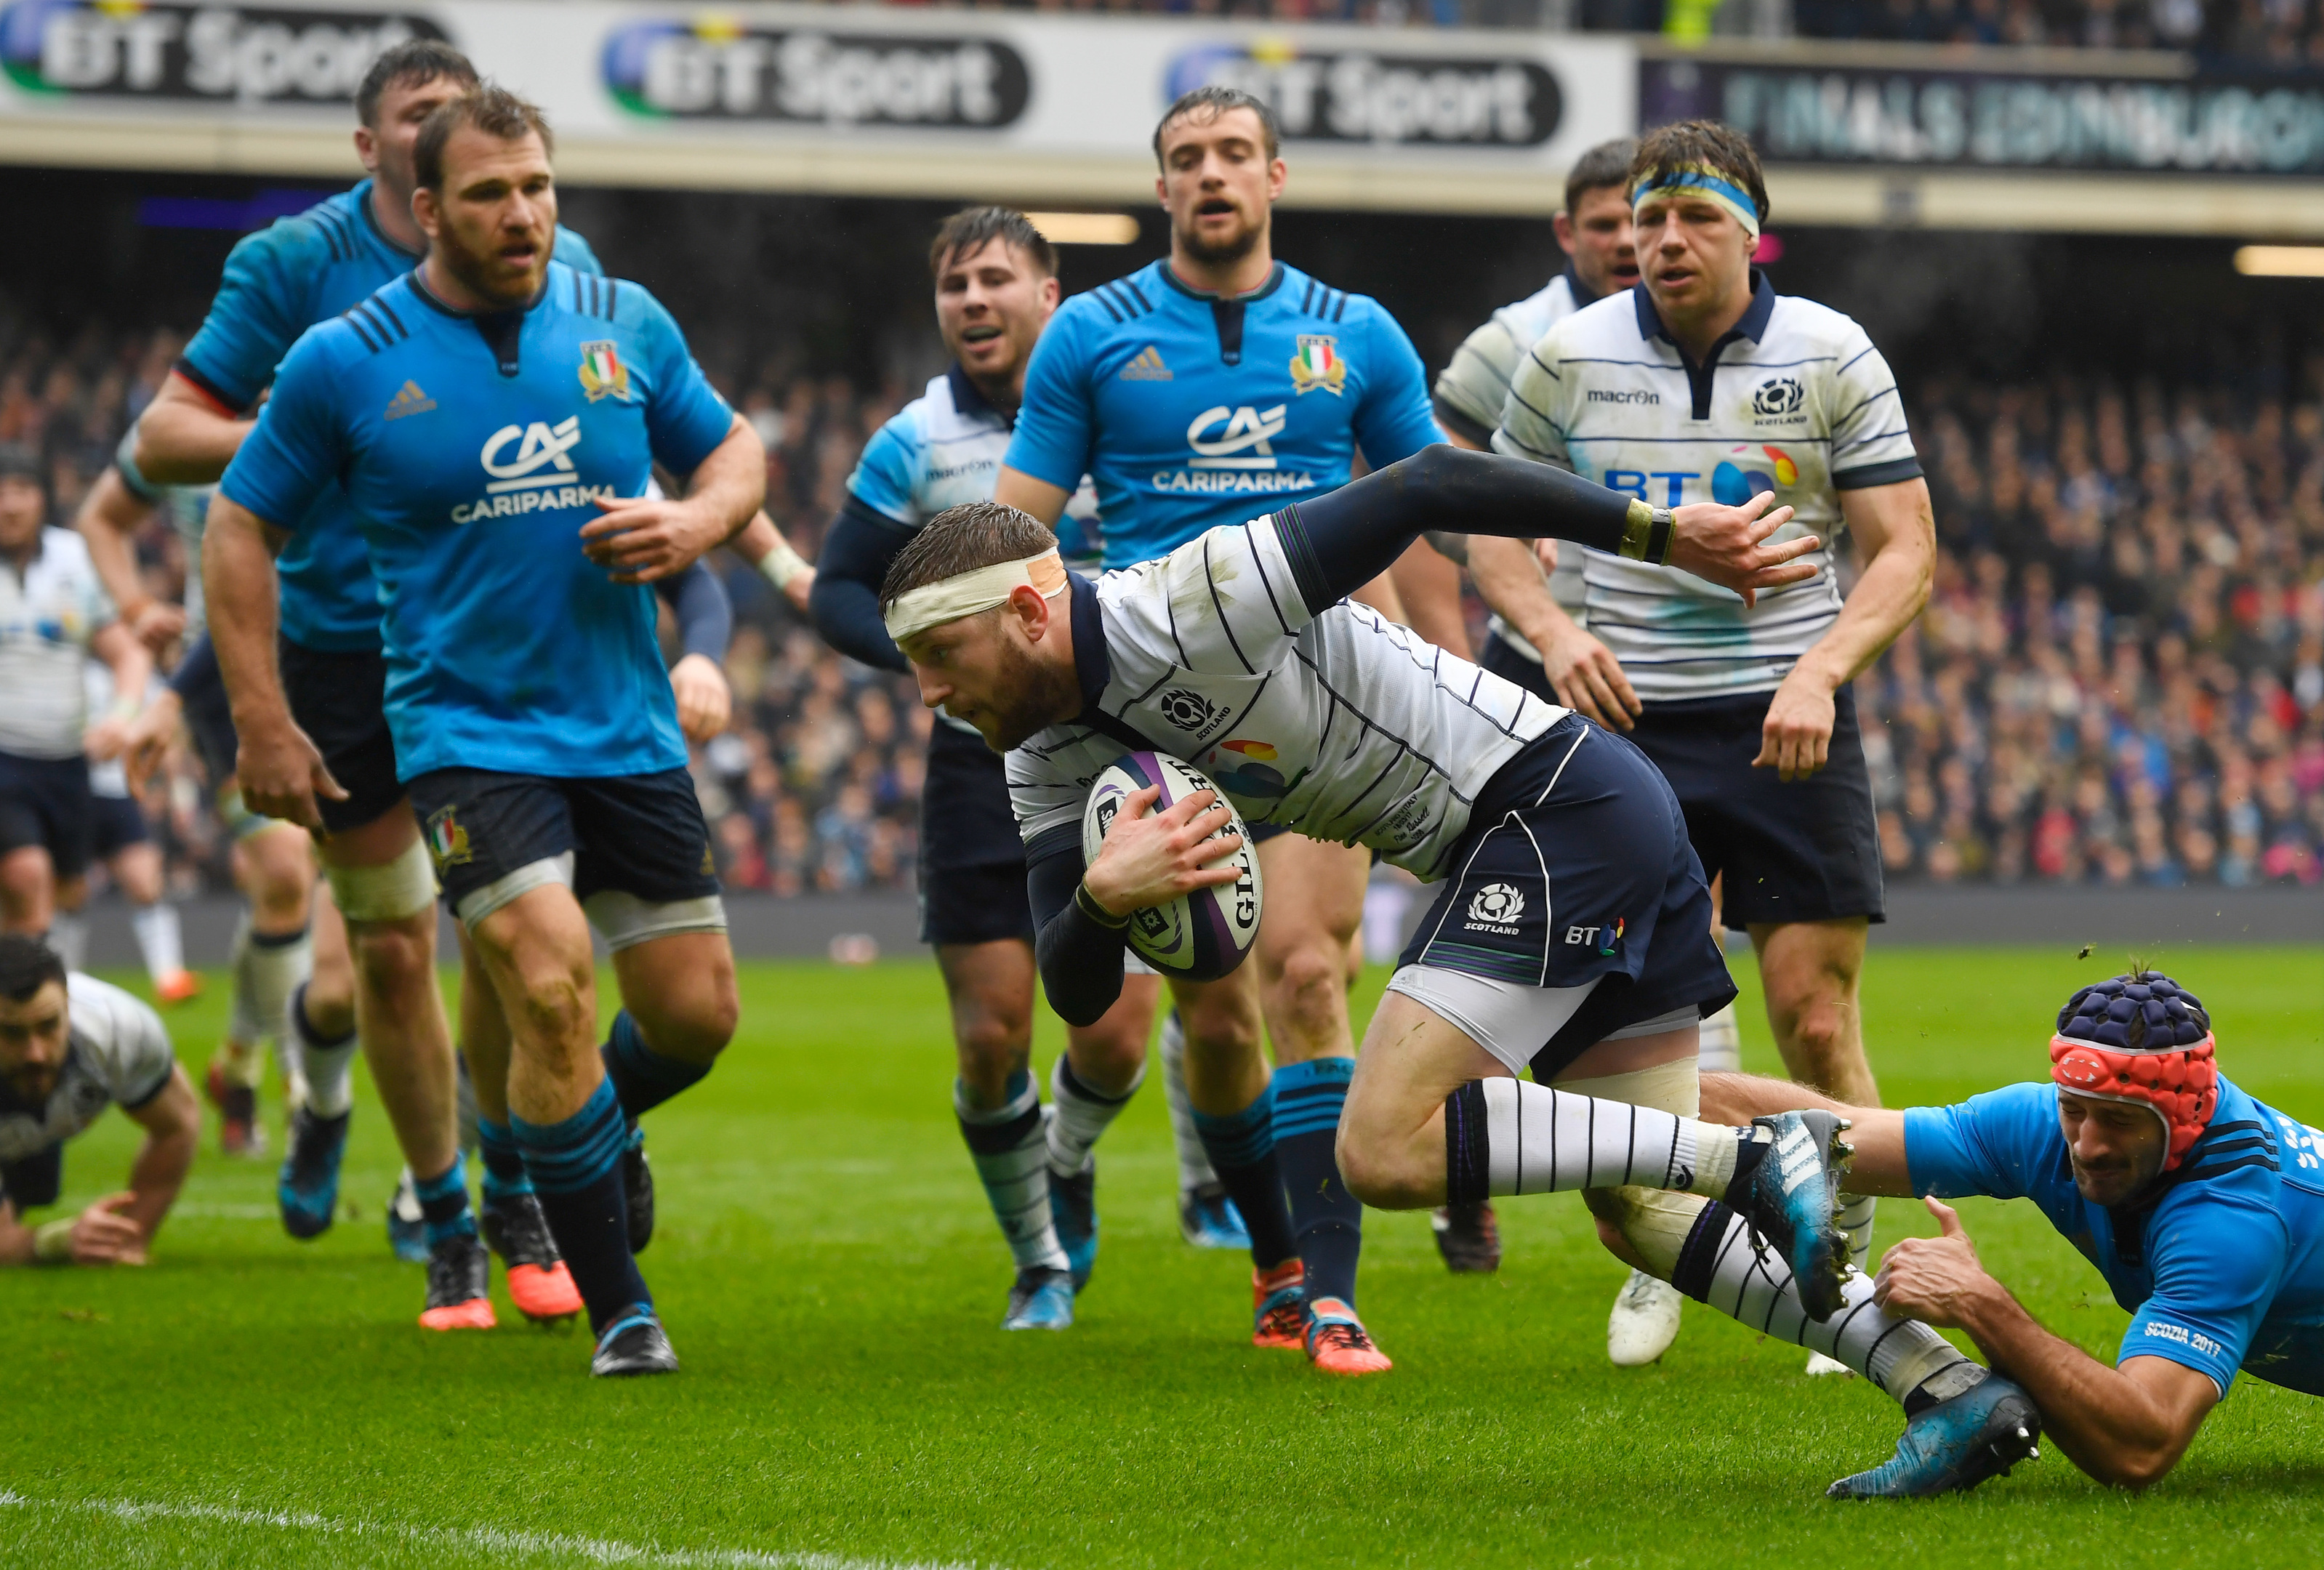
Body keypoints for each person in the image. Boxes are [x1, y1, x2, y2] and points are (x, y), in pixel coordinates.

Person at [881, 446, 2034, 1497]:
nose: (930, 694)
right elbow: (1073, 990)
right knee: (1640, 1215)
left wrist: (1656, 534)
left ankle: (1755, 1159)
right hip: (1559, 828)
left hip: (1550, 808)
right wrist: (1101, 897)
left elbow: (1427, 482)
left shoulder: (1196, 596)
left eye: (940, 655)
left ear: (1030, 611)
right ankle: (1948, 1386)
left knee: (1383, 1146)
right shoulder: (1040, 756)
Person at [205, 84, 765, 1376]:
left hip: (625, 726)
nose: (521, 215)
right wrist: (261, 718)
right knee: (551, 983)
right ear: (424, 211)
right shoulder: (345, 357)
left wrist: (695, 523)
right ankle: (622, 1311)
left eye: (537, 188)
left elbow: (733, 453)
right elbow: (242, 526)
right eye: (488, 194)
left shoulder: (622, 321)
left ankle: (566, 1137)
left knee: (694, 1019)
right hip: (463, 732)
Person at [134, 39, 595, 1327]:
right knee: (390, 955)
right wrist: (302, 436)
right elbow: (162, 438)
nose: (447, 129)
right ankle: (444, 1214)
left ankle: (512, 1189)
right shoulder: (291, 264)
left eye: (464, 112)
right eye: (419, 116)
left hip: (491, 651)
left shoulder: (544, 256)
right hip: (340, 651)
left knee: (510, 944)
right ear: (373, 148)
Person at [993, 85, 1447, 1374]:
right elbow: (1016, 526)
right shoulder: (1088, 333)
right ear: (1161, 189)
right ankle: (1272, 1257)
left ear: (1275, 175)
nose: (1210, 176)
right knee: (1218, 1012)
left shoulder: (1355, 334)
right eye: (1186, 159)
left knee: (1309, 974)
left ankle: (1330, 1288)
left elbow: (1424, 505)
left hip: (1320, 696)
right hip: (1152, 708)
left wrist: (1455, 677)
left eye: (1232, 155)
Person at [1492, 120, 1937, 1369]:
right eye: (1644, 221)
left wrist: (1820, 670)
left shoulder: (1831, 350)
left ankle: (1840, 1255)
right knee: (1637, 1017)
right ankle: (1671, 1248)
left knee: (1811, 1008)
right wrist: (1546, 634)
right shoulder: (1567, 354)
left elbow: (1903, 544)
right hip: (1622, 719)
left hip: (1784, 711)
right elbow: (1484, 529)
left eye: (1691, 218)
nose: (1663, 241)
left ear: (1751, 231)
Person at [810, 206, 1154, 1332]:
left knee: (1109, 1035)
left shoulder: (1119, 404)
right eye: (953, 283)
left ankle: (1068, 1154)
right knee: (990, 1032)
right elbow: (834, 588)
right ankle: (1041, 1264)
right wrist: (930, 662)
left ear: (1050, 296)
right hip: (977, 764)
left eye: (994, 277)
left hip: (1121, 750)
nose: (970, 299)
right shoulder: (914, 440)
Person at [1702, 969, 2324, 1495]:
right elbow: (1837, 1134)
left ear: (2186, 1118)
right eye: (2074, 1111)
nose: (2087, 1144)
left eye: (2119, 1122)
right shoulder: (2039, 1125)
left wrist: (1980, 1302)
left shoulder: (2228, 1219)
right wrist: (1641, 1104)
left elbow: (2141, 1447)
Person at [1420, 135, 1660, 1280]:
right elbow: (1434, 496)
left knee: (1672, 948)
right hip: (1532, 679)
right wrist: (1479, 638)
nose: (1628, 239)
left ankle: (1659, 1204)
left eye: (1643, 218)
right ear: (1570, 232)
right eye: (1606, 222)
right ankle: (1470, 1165)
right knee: (1491, 941)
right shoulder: (1510, 345)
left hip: (1678, 679)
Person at [82, 444, 326, 1164]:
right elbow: (104, 516)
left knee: (289, 890)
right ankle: (302, 1088)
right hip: (224, 668)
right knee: (283, 873)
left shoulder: (338, 379)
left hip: (330, 658)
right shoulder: (191, 416)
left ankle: (238, 1067)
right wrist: (134, 606)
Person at [0, 447, 153, 956]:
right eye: (1, 493)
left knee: (69, 894)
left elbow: (127, 654)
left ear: (42, 498)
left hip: (67, 761)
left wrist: (123, 717)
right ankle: (30, 1010)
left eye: (21, 490)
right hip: (5, 757)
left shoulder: (76, 559)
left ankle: (49, 1003)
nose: (10, 505)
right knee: (27, 877)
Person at [0, 935, 198, 1269]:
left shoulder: (119, 1028)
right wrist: (58, 1241)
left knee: (35, 1189)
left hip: (37, 1123)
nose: (35, 1054)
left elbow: (177, 1127)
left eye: (49, 1026)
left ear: (68, 1004)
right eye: (12, 1033)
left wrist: (127, 1241)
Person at [67, 659, 198, 1002]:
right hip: (71, 791)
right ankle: (64, 982)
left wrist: (166, 789)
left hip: (119, 793)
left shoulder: (147, 680)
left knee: (145, 882)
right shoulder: (75, 669)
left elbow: (168, 735)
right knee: (70, 893)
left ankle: (170, 978)